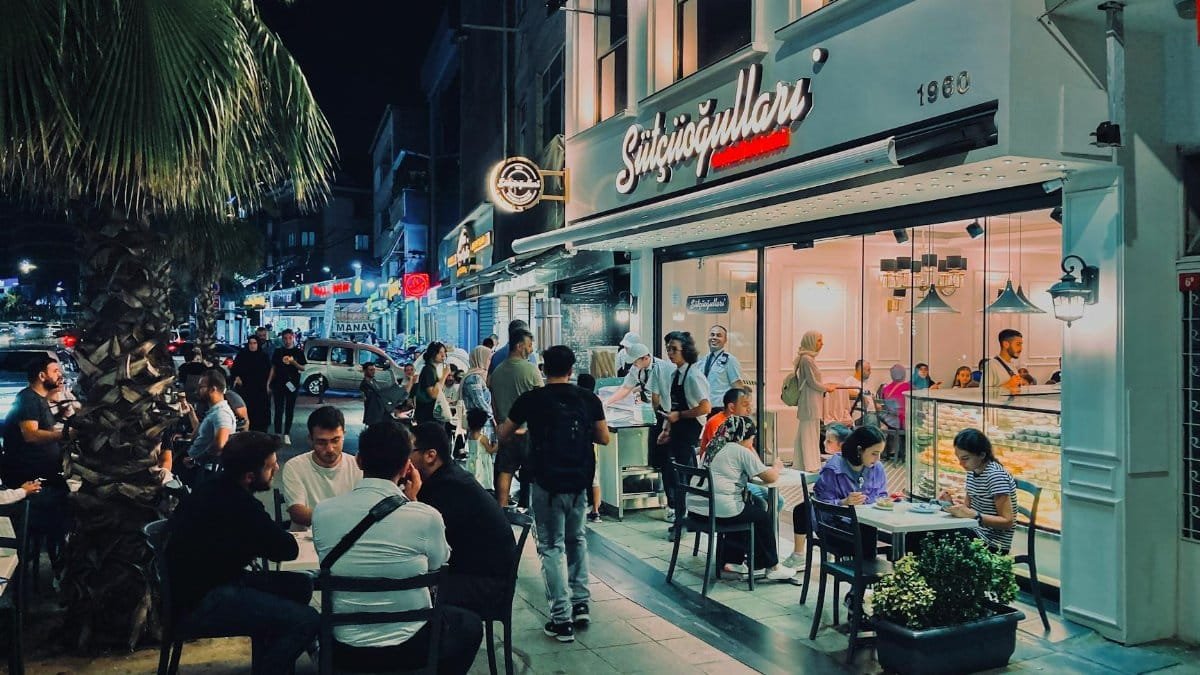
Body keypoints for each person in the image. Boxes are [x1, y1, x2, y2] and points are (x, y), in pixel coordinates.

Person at [312, 421, 482, 675]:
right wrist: (413, 501)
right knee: (470, 625)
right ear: (406, 467)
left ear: (358, 460)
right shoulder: (427, 516)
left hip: (345, 649)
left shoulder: (323, 513)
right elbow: (437, 566)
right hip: (412, 646)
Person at [167, 432, 318, 675]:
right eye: (270, 467)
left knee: (300, 584)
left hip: (196, 588)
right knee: (307, 619)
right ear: (250, 477)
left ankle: (270, 656)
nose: (277, 469)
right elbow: (286, 550)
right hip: (201, 602)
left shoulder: (211, 487)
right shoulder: (241, 505)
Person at [499, 345, 609, 643]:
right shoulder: (588, 398)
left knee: (551, 547)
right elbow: (604, 437)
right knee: (577, 540)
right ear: (571, 370)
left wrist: (527, 431)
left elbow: (504, 433)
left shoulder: (532, 400)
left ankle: (561, 620)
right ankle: (581, 604)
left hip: (545, 484)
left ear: (544, 369)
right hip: (578, 483)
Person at [410, 422, 515, 618]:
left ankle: (429, 647)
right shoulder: (444, 478)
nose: (405, 458)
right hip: (472, 572)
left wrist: (413, 501)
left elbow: (427, 543)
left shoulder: (449, 487)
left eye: (409, 451)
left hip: (486, 585)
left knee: (412, 590)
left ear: (430, 455)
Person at [688, 415, 796, 581]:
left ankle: (732, 560)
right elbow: (771, 477)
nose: (751, 443)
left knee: (743, 506)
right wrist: (776, 466)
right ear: (743, 437)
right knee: (761, 516)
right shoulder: (738, 450)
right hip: (717, 511)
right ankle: (771, 566)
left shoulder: (714, 445)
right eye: (751, 439)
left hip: (696, 510)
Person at [1, 354, 73, 569]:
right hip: (29, 478)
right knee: (65, 509)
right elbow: (31, 434)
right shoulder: (29, 399)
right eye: (55, 371)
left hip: (44, 474)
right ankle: (58, 565)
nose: (60, 375)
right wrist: (67, 434)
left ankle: (59, 560)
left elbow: (48, 432)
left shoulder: (40, 400)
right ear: (42, 376)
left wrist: (63, 412)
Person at [656, 331, 711, 536]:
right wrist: (667, 428)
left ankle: (686, 520)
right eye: (668, 348)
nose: (670, 353)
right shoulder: (675, 374)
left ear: (685, 351)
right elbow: (673, 408)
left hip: (689, 433)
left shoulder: (694, 376)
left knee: (685, 479)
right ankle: (681, 519)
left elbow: (705, 407)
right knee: (674, 477)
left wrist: (680, 415)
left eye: (674, 349)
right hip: (677, 431)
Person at [781, 423, 853, 570]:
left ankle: (799, 554)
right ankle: (802, 554)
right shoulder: (839, 462)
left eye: (829, 441)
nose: (825, 443)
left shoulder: (834, 464)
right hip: (839, 511)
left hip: (835, 515)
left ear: (842, 445)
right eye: (825, 439)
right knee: (802, 508)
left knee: (801, 510)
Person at [279, 406, 363, 528]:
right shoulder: (295, 466)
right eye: (321, 442)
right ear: (310, 439)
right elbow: (297, 513)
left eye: (335, 440)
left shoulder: (357, 466)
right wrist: (347, 518)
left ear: (343, 435)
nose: (329, 449)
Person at [940, 428, 1017, 553]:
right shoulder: (973, 472)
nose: (961, 463)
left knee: (935, 537)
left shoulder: (995, 476)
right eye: (959, 458)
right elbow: (967, 509)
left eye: (965, 458)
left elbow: (1007, 521)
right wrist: (949, 504)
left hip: (993, 543)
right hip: (974, 532)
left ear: (982, 455)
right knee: (919, 533)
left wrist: (976, 516)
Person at [489, 328, 542, 508]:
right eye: (529, 345)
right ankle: (527, 508)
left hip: (506, 430)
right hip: (528, 431)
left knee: (505, 470)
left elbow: (494, 404)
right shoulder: (531, 370)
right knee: (532, 472)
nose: (531, 349)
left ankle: (502, 509)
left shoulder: (497, 372)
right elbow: (541, 400)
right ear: (519, 346)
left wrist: (500, 425)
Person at [793, 331, 839, 472]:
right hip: (809, 401)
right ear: (811, 341)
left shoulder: (807, 358)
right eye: (819, 340)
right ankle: (811, 464)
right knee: (809, 433)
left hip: (811, 400)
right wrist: (827, 388)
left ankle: (803, 463)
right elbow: (813, 382)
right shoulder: (807, 359)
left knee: (807, 432)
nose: (821, 344)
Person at [183, 369, 236, 481]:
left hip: (200, 470)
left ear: (213, 389)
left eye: (201, 387)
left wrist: (195, 459)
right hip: (194, 464)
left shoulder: (222, 414)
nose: (198, 390)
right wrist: (191, 413)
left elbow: (220, 445)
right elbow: (201, 433)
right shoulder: (214, 411)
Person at [268, 329, 307, 440]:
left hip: (292, 383)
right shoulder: (278, 351)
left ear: (293, 337)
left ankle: (286, 433)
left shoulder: (298, 352)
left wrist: (294, 362)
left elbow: (303, 367)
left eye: (289, 338)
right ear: (282, 339)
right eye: (285, 338)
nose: (287, 341)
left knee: (290, 409)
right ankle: (277, 433)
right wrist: (269, 383)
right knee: (278, 409)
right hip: (279, 383)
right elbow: (273, 368)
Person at [575, 373, 602, 522]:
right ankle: (596, 511)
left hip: (577, 446)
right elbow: (603, 435)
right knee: (595, 479)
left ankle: (582, 508)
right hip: (590, 444)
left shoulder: (574, 401)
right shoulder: (594, 400)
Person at [699, 387, 752, 462]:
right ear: (731, 407)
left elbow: (750, 450)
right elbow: (720, 454)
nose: (749, 409)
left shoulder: (740, 422)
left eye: (750, 405)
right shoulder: (716, 422)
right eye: (745, 405)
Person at [231, 336, 271, 431]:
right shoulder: (242, 356)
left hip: (260, 389)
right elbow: (234, 369)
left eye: (254, 343)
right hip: (246, 389)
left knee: (260, 412)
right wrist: (237, 377)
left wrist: (268, 385)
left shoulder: (263, 356)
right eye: (250, 343)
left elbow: (269, 372)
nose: (252, 346)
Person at [703, 325, 744, 408]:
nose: (714, 337)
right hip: (704, 409)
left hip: (721, 409)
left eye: (719, 335)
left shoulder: (730, 360)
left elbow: (738, 388)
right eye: (712, 334)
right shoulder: (702, 361)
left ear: (725, 340)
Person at [414, 342, 451, 424]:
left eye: (444, 352)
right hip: (428, 415)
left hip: (429, 414)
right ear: (433, 353)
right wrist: (445, 375)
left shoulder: (433, 369)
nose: (443, 355)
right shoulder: (428, 370)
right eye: (440, 352)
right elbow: (433, 394)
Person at [464, 408, 496, 490]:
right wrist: (499, 444)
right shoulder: (483, 438)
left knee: (474, 478)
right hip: (481, 462)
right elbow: (490, 450)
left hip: (472, 461)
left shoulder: (470, 435)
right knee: (482, 479)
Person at [987, 329, 1025, 394]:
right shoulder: (991, 365)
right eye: (1018, 344)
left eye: (1021, 344)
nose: (1021, 348)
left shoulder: (1012, 365)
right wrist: (1008, 385)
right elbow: (983, 394)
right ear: (1006, 344)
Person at [877, 363, 912, 431]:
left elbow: (884, 405)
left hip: (890, 420)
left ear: (891, 375)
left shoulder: (885, 389)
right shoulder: (909, 387)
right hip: (906, 422)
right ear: (904, 374)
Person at [844, 360, 878, 425]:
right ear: (861, 370)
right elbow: (845, 392)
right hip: (860, 414)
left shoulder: (868, 383)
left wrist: (876, 404)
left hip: (873, 413)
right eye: (868, 370)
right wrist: (861, 396)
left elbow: (873, 397)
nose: (870, 372)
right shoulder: (850, 381)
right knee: (872, 419)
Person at [359, 362, 389, 426]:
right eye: (371, 370)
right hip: (373, 415)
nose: (373, 372)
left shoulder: (374, 381)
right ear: (365, 371)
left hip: (380, 414)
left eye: (374, 369)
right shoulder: (364, 385)